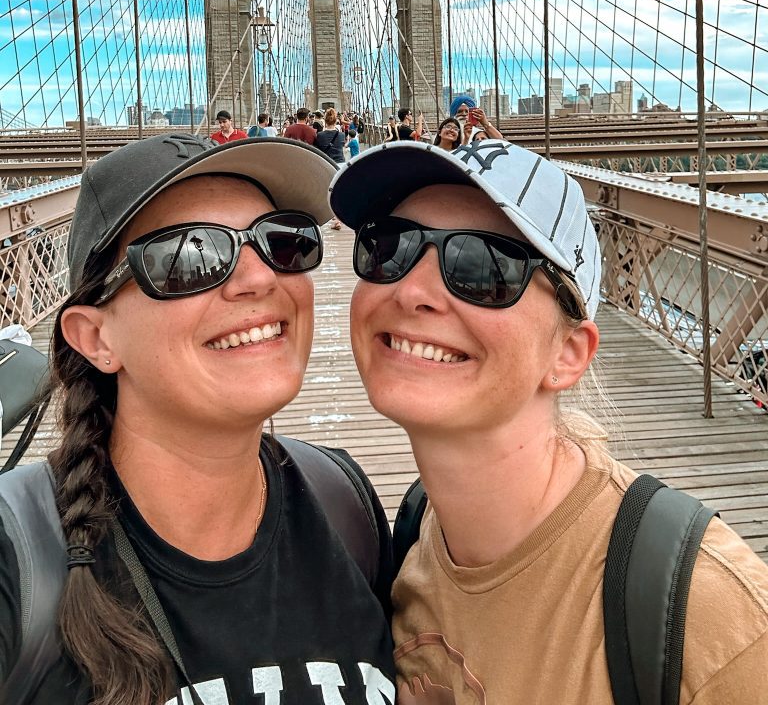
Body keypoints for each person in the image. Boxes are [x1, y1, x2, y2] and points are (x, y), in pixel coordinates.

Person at [329, 139, 768, 704]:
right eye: (388, 247)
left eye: (483, 266)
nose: (412, 291)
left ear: (568, 354)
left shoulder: (710, 618)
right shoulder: (413, 544)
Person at [0, 134, 395, 702]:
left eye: (282, 242)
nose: (260, 279)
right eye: (189, 256)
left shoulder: (346, 506)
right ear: (95, 337)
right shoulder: (15, 563)